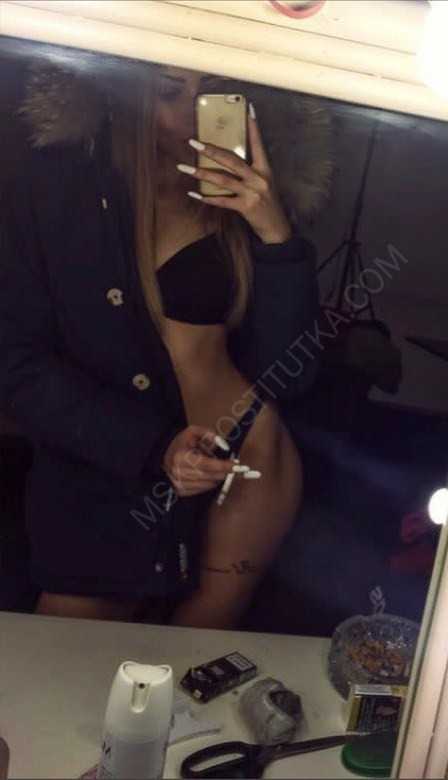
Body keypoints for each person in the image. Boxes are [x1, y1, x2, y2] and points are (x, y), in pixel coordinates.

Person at [0, 55, 320, 627]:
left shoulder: (253, 199)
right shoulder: (58, 185)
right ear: (130, 89)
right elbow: (18, 365)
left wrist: (275, 235)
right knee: (65, 661)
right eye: (171, 90)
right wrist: (151, 447)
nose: (194, 111)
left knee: (191, 668)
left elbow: (289, 373)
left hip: (244, 455)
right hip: (109, 463)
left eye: (213, 90)